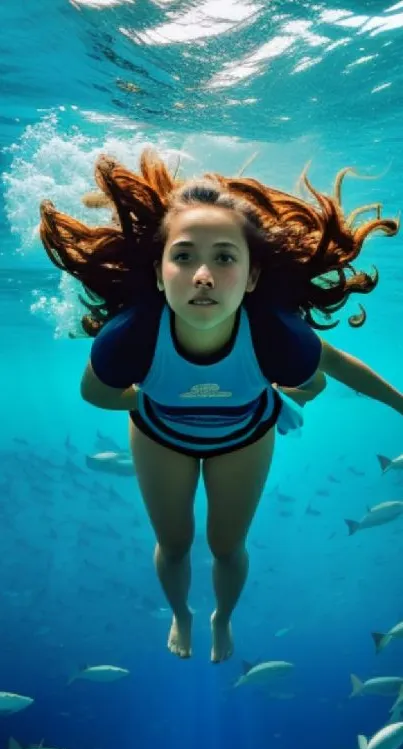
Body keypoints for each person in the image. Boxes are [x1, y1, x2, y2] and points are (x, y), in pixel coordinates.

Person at [39, 148, 402, 663]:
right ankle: (181, 614)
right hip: (160, 433)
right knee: (176, 543)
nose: (203, 275)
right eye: (184, 256)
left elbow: (339, 365)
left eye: (225, 257)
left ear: (252, 277)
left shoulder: (276, 333)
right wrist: (150, 397)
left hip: (245, 435)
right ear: (160, 274)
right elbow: (94, 393)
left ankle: (222, 618)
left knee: (227, 546)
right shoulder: (131, 336)